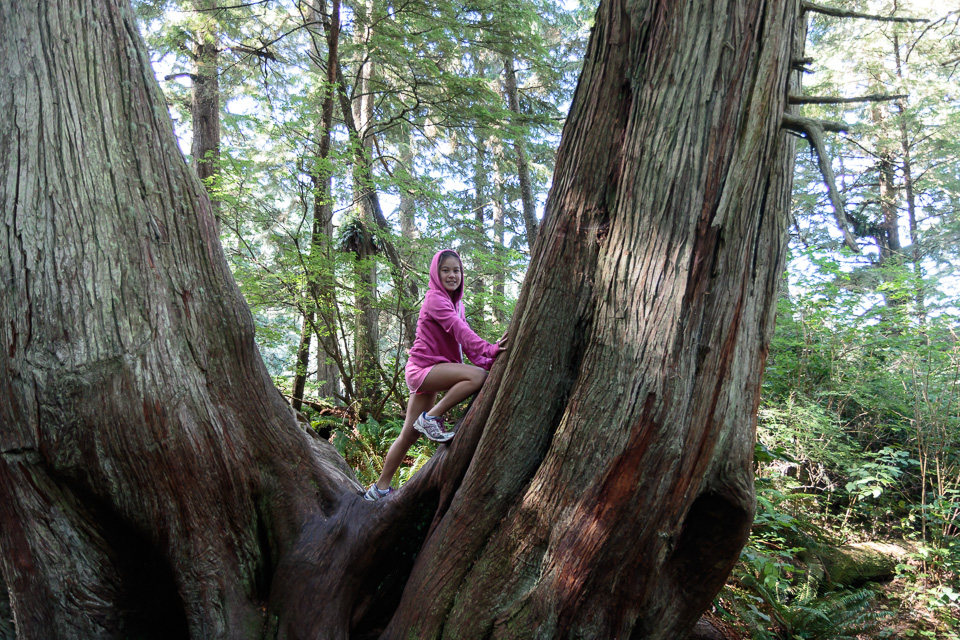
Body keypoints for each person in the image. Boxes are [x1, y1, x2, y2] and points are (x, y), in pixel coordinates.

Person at [364, 249, 507, 501]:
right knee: (477, 377)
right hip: (423, 370)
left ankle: (378, 489)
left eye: (456, 270)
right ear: (435, 273)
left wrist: (489, 359)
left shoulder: (457, 304)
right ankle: (431, 417)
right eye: (445, 270)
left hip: (433, 369)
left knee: (409, 434)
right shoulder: (435, 299)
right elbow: (460, 331)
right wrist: (490, 348)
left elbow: (463, 343)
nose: (452, 275)